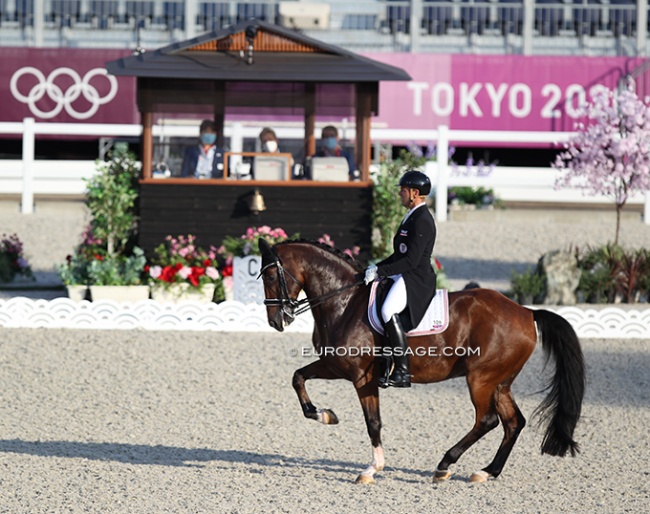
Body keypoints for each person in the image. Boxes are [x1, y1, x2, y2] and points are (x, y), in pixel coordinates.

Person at [364, 170, 437, 388]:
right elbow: (399, 254)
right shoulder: (411, 216)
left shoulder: (422, 220)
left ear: (414, 193)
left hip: (415, 278)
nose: (400, 195)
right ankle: (383, 365)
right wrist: (377, 267)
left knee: (387, 311)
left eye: (403, 191)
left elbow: (411, 261)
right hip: (405, 272)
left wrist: (382, 272)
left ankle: (403, 372)